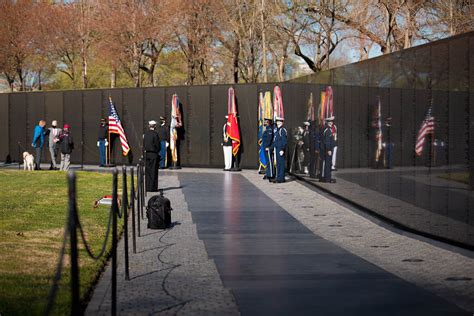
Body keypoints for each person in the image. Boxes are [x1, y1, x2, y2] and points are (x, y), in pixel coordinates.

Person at [143, 120, 161, 192]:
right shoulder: (155, 134)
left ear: (149, 126)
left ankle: (147, 187)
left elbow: (144, 144)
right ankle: (153, 188)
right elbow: (158, 146)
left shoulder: (146, 134)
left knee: (147, 171)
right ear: (155, 126)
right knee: (153, 171)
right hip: (154, 154)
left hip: (147, 154)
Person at [320, 117, 336, 183]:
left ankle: (326, 177)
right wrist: (329, 149)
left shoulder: (326, 129)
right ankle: (327, 179)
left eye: (332, 122)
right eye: (330, 122)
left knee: (327, 164)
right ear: (327, 122)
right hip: (327, 150)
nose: (331, 123)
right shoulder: (328, 130)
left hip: (326, 149)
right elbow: (327, 141)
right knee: (328, 164)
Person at [273, 117, 287, 183]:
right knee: (278, 164)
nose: (277, 123)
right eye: (277, 121)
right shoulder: (278, 130)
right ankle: (278, 177)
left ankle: (281, 178)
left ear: (281, 122)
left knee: (281, 164)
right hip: (277, 148)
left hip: (280, 149)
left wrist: (282, 149)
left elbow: (284, 141)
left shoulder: (282, 130)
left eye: (279, 121)